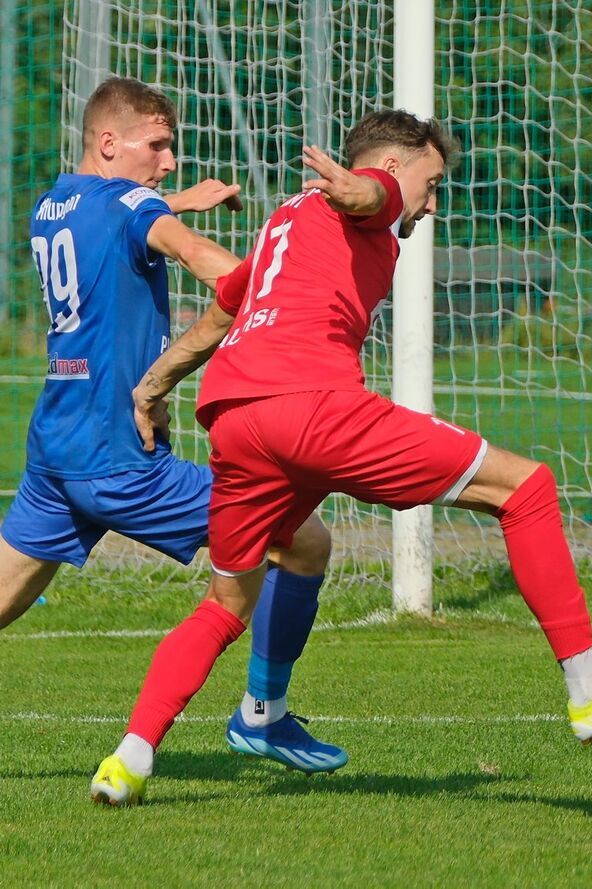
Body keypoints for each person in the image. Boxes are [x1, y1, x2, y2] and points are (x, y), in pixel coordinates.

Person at [89, 109, 592, 805]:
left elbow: (223, 314)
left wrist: (152, 386)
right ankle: (590, 687)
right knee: (525, 488)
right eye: (431, 184)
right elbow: (374, 193)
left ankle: (137, 756)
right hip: (312, 407)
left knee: (236, 595)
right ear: (396, 166)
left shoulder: (285, 223)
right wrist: (363, 191)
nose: (431, 203)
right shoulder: (367, 199)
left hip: (235, 422)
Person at [1, 77, 345, 777]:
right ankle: (265, 714)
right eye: (156, 146)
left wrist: (174, 204)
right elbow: (213, 269)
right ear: (108, 142)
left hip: (55, 446)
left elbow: (119, 216)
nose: (168, 162)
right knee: (304, 542)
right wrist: (278, 292)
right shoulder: (136, 208)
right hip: (121, 457)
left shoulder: (51, 206)